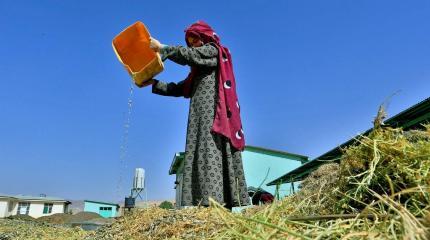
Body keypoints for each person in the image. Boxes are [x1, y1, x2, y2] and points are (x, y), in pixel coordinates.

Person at [148, 21, 249, 209]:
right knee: (199, 155)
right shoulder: (198, 72)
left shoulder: (214, 51)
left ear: (205, 37)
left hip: (215, 119)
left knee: (210, 153)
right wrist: (154, 83)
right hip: (198, 120)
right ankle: (203, 204)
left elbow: (190, 55)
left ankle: (216, 204)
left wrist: (163, 48)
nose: (192, 44)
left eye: (194, 39)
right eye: (189, 41)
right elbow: (180, 88)